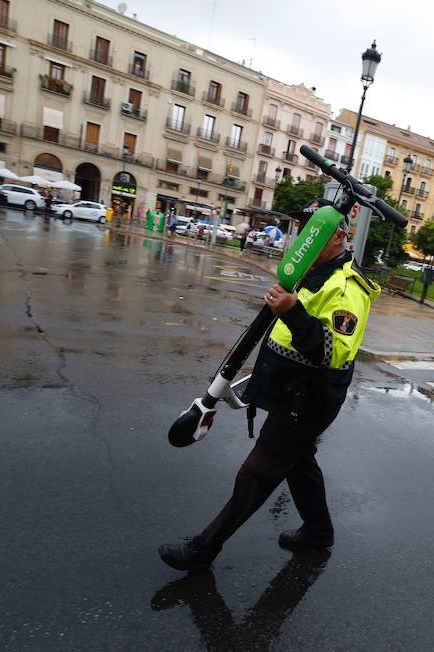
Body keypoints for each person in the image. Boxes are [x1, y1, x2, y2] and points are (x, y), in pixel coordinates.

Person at [158, 201, 381, 572]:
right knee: (299, 460)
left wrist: (292, 310)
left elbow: (332, 352)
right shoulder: (311, 270)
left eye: (315, 236)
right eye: (304, 235)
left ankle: (203, 549)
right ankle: (318, 530)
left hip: (307, 400)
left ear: (339, 236)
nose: (304, 244)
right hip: (290, 390)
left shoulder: (347, 287)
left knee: (257, 472)